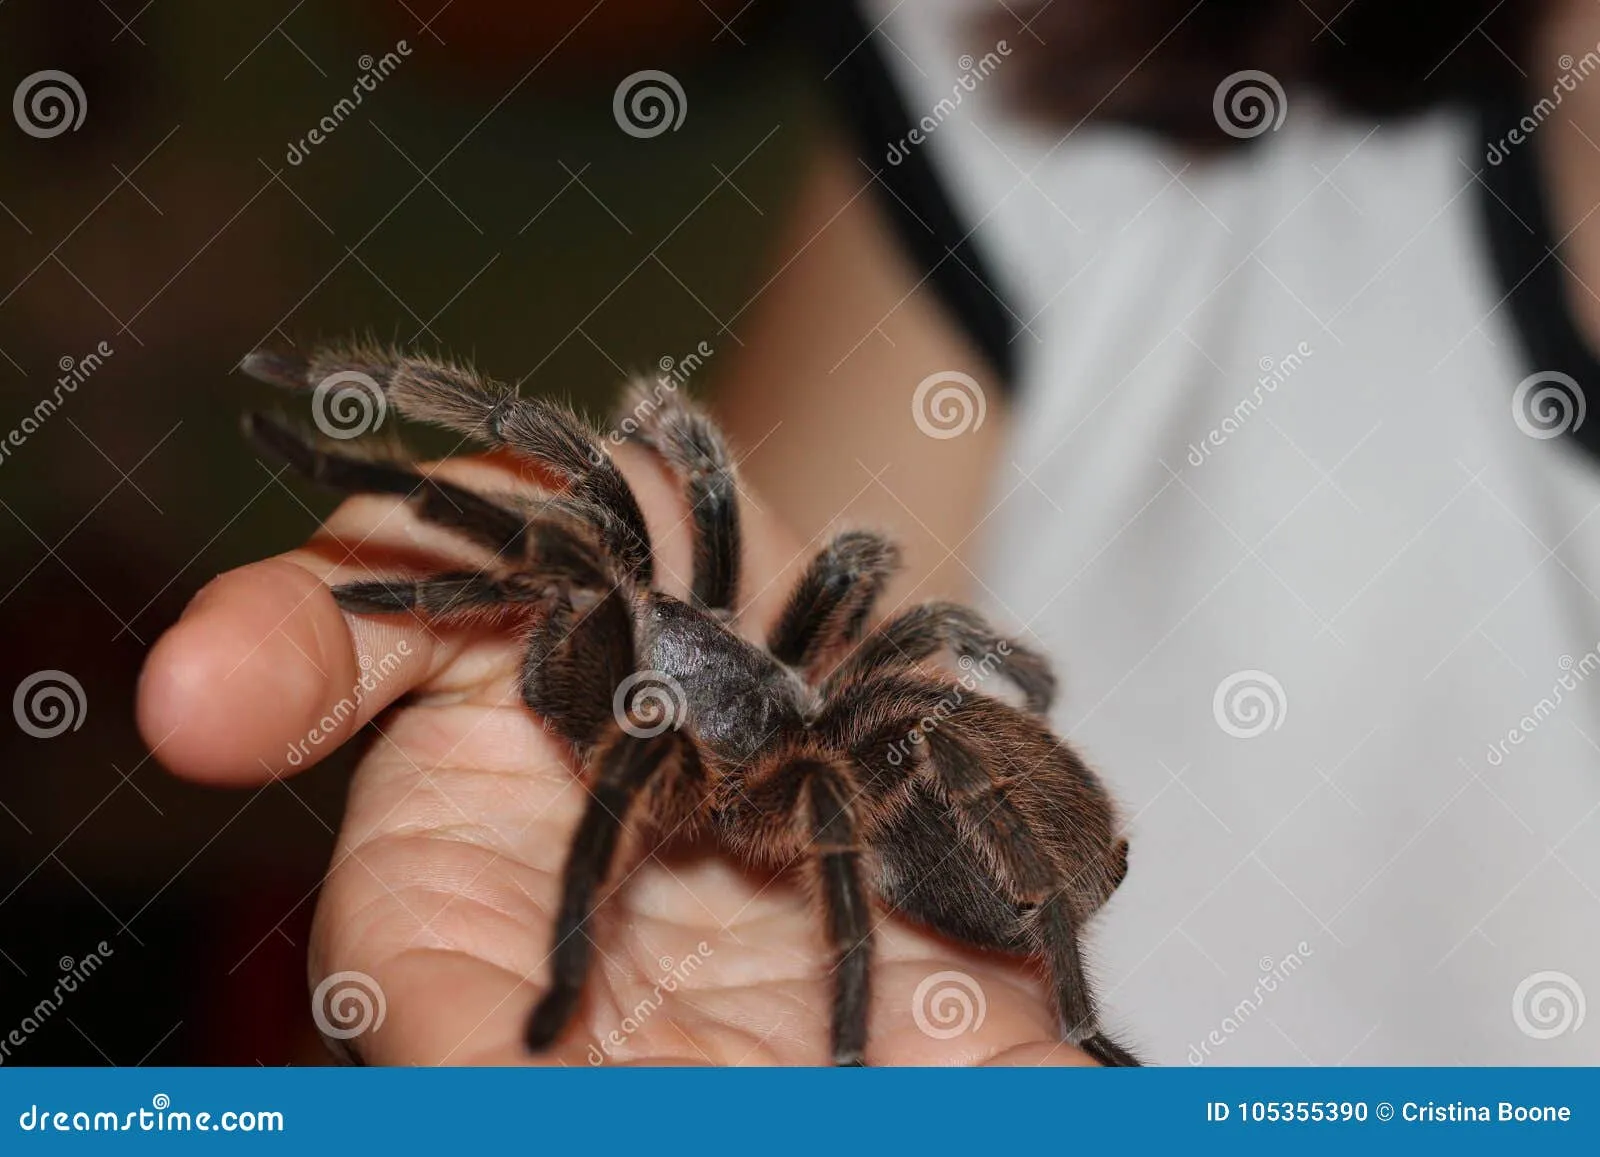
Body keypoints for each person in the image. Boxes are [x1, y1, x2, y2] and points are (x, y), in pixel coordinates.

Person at [139, 0, 1600, 1064]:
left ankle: (1064, 1009)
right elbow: (753, 518)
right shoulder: (1065, 65)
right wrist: (390, 576)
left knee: (816, 741)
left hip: (896, 794)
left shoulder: (790, 776)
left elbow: (851, 696)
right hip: (843, 728)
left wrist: (617, 977)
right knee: (584, 504)